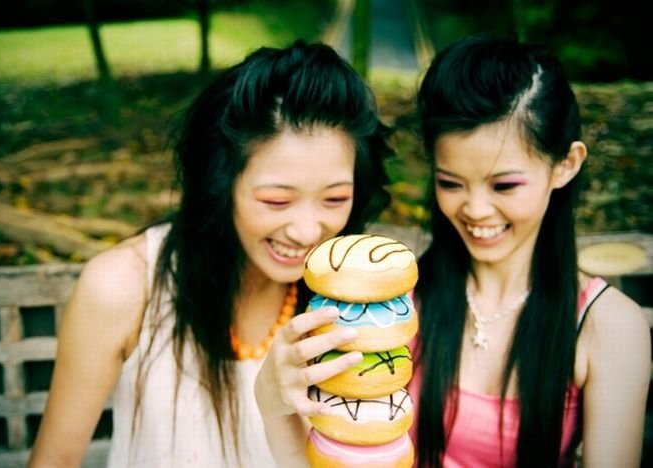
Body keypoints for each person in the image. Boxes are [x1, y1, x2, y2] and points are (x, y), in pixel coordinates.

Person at [255, 35, 651, 467]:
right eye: (450, 183)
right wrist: (274, 409)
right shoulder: (393, 309)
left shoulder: (608, 326)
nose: (476, 209)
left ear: (565, 165)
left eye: (504, 185)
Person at [27, 39, 393, 467]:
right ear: (221, 186)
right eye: (276, 201)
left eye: (334, 200)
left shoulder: (355, 303)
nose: (307, 231)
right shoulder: (124, 285)